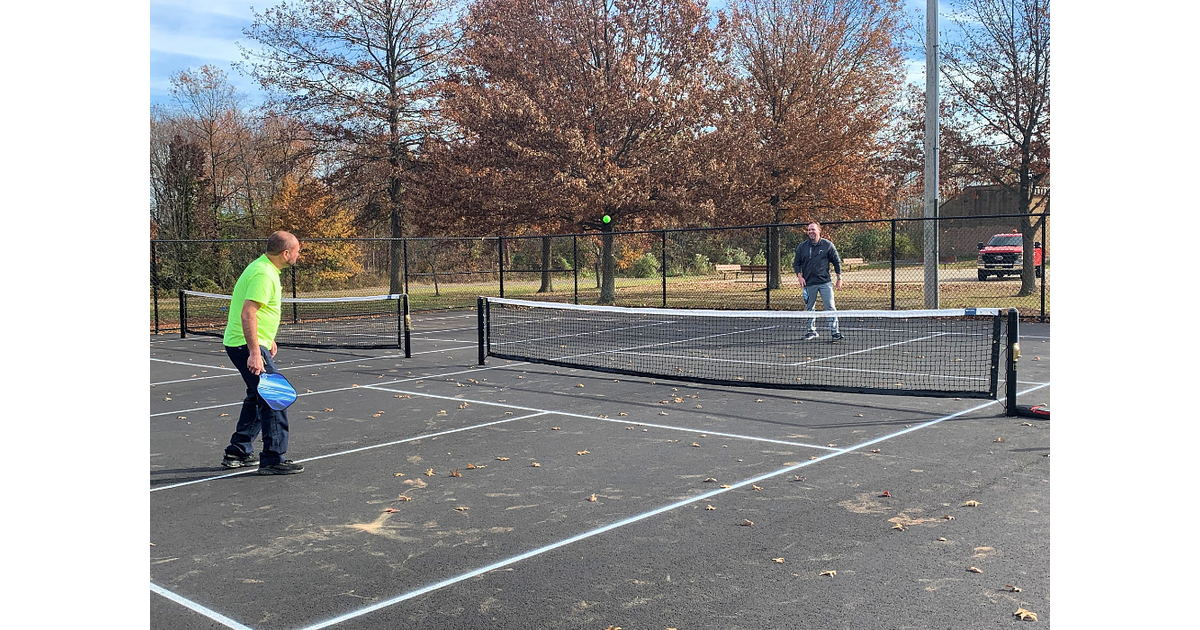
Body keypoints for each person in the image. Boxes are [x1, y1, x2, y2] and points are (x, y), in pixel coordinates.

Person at [221, 231, 305, 475]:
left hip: (248, 342)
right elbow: (248, 313)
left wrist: (268, 339)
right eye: (297, 250)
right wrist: (255, 352)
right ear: (285, 253)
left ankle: (237, 451)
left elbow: (261, 312)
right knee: (274, 396)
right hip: (244, 345)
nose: (299, 254)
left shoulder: (265, 269)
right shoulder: (264, 274)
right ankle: (273, 457)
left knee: (258, 395)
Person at [792, 221, 844, 341]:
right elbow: (796, 263)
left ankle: (835, 332)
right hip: (809, 284)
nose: (810, 232)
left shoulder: (827, 245)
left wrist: (839, 278)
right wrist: (799, 276)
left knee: (830, 307)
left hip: (825, 282)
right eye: (809, 230)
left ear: (819, 230)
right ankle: (811, 331)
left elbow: (836, 261)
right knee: (809, 308)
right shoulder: (802, 247)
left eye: (813, 229)